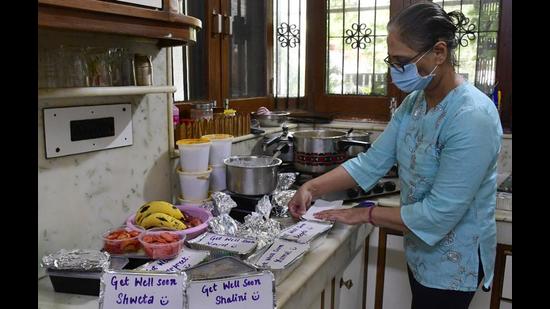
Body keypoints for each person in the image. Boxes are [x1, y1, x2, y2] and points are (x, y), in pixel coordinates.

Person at [288, 2, 502, 308]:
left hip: (455, 261)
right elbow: (371, 162)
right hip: (420, 247)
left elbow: (439, 214)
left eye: (403, 61)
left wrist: (366, 213)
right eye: (392, 61)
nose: (395, 72)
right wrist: (311, 187)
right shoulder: (414, 103)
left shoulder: (473, 117)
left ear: (439, 53)